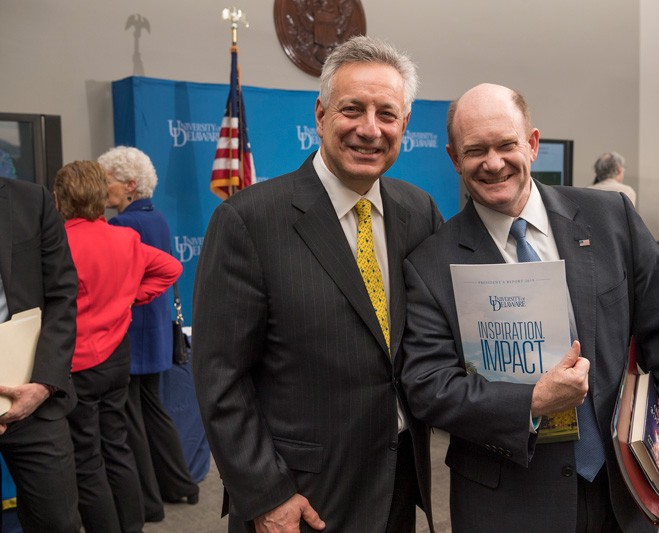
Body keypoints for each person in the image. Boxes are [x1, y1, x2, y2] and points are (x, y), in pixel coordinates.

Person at [400, 84, 659, 531]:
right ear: (454, 158)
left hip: (619, 485)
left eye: (506, 144)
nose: (493, 163)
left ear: (531, 143)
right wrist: (532, 400)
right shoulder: (432, 263)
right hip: (507, 502)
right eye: (475, 151)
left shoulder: (611, 219)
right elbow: (428, 387)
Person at [192, 35, 442, 533]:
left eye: (387, 114)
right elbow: (220, 378)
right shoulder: (249, 221)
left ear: (405, 125)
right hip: (299, 501)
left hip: (396, 488)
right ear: (321, 113)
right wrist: (267, 494)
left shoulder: (419, 213)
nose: (370, 129)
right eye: (353, 109)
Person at [54, 161, 182, 533]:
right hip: (117, 358)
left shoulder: (60, 242)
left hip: (77, 364)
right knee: (117, 445)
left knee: (87, 458)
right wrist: (129, 298)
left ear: (61, 199)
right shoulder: (122, 238)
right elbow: (171, 268)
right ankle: (133, 526)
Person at [98, 146, 199, 521]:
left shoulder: (122, 226)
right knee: (153, 411)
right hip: (154, 330)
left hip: (131, 331)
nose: (101, 187)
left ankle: (147, 503)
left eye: (106, 180)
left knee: (130, 418)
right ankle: (182, 486)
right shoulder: (156, 218)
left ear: (129, 186)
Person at [0, 177, 82, 533]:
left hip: (34, 395)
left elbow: (62, 295)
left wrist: (45, 384)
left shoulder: (30, 200)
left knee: (57, 522)